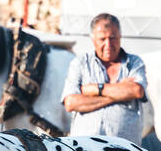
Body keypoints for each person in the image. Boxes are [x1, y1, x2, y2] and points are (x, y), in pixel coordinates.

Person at [61, 13, 148, 142]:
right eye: (102, 39)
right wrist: (118, 95)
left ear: (120, 37)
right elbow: (71, 103)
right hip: (84, 149)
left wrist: (96, 89)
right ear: (93, 39)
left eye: (112, 38)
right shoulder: (80, 63)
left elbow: (136, 91)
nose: (108, 44)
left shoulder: (134, 62)